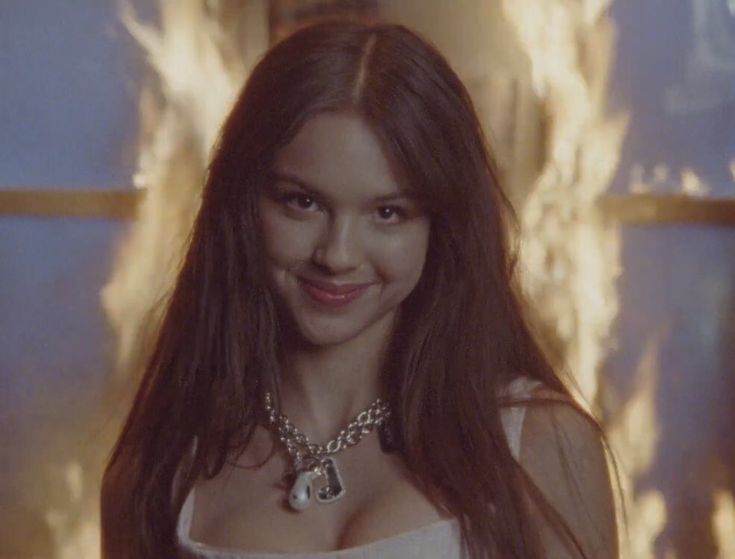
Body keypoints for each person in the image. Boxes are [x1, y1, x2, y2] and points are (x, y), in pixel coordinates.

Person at [101, 20, 618, 559]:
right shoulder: (157, 474)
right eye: (302, 202)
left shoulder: (540, 446)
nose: (338, 254)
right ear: (243, 203)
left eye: (389, 213)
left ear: (441, 227)